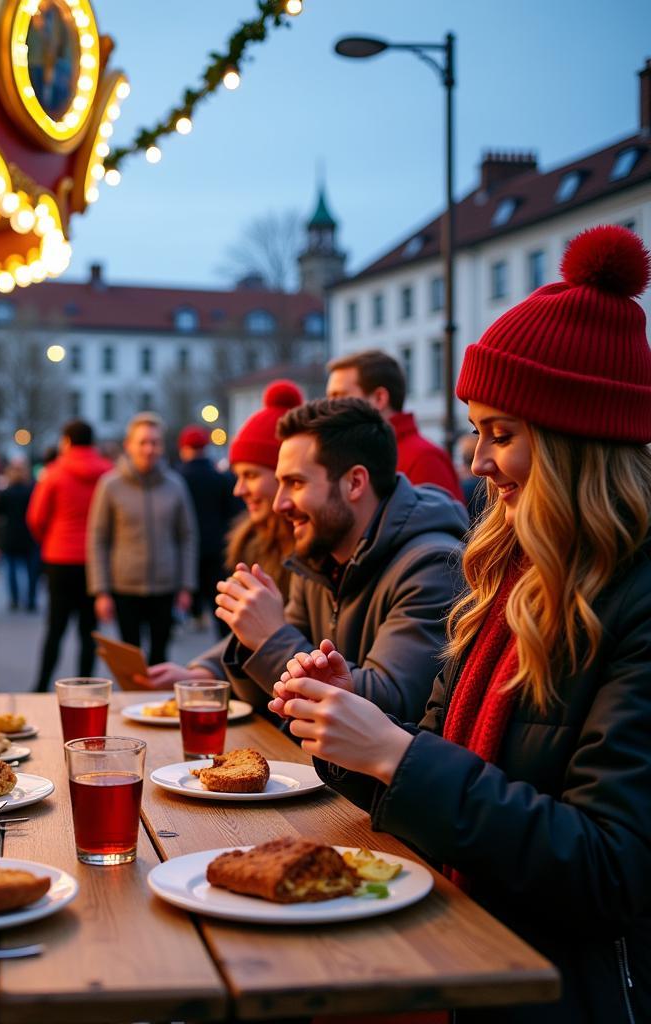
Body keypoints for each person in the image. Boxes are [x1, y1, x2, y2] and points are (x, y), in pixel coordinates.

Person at [272, 225, 651, 1023]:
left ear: (579, 443)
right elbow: (441, 761)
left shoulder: (634, 600)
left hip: (552, 989)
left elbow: (612, 872)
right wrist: (356, 733)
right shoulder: (506, 577)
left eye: (501, 434)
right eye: (476, 430)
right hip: (454, 947)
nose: (477, 459)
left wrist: (397, 755)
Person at [219, 397, 467, 721]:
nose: (279, 503)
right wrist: (251, 638)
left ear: (355, 483)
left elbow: (391, 705)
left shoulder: (432, 565)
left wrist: (270, 637)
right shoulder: (316, 558)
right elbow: (270, 700)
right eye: (279, 483)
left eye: (295, 483)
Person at [144, 380, 303, 698]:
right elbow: (245, 639)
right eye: (237, 474)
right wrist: (202, 671)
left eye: (251, 475)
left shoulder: (309, 549)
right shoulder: (255, 541)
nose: (238, 489)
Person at [87, 411, 197, 666]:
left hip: (165, 586)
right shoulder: (110, 485)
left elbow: (187, 537)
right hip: (124, 586)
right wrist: (101, 590)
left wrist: (186, 586)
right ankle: (132, 704)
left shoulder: (175, 485)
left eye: (155, 442)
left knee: (160, 657)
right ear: (129, 445)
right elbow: (98, 538)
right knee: (129, 659)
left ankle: (157, 706)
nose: (149, 449)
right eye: (143, 442)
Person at [27, 418, 112, 691]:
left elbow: (36, 517)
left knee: (55, 628)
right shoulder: (108, 473)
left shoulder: (54, 472)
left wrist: (50, 539)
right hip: (94, 563)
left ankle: (41, 685)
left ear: (66, 442)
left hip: (59, 558)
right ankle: (85, 688)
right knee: (89, 631)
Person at [327, 349, 462, 500]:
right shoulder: (360, 454)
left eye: (340, 396)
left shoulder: (425, 459)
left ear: (379, 398)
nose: (330, 406)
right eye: (330, 397)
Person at [176, 424, 242, 636]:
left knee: (189, 589)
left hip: (185, 548)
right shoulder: (219, 477)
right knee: (219, 603)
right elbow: (234, 513)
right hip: (217, 546)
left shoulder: (176, 478)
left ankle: (194, 616)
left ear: (183, 448)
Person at [0, 458, 39, 612]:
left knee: (11, 569)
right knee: (31, 570)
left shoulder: (6, 493)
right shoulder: (32, 491)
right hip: (29, 534)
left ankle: (14, 600)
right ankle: (31, 600)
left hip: (10, 534)